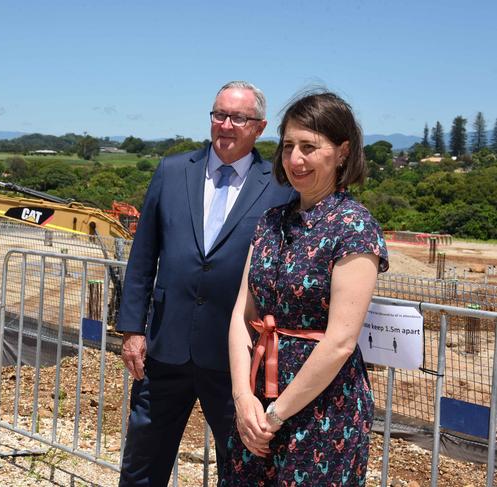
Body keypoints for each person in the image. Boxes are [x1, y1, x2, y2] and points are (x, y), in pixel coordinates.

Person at [117, 81, 296, 486]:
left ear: (260, 127)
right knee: (143, 461)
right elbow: (143, 255)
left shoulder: (280, 187)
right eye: (219, 115)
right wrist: (131, 329)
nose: (226, 125)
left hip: (238, 358)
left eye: (239, 118)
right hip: (165, 348)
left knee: (240, 468)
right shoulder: (173, 170)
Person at [223, 92, 389, 485]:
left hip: (321, 413)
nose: (295, 159)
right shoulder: (270, 221)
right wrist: (243, 399)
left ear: (343, 152)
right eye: (288, 146)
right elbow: (242, 316)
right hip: (256, 405)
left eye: (309, 147)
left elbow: (340, 342)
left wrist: (277, 413)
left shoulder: (354, 227)